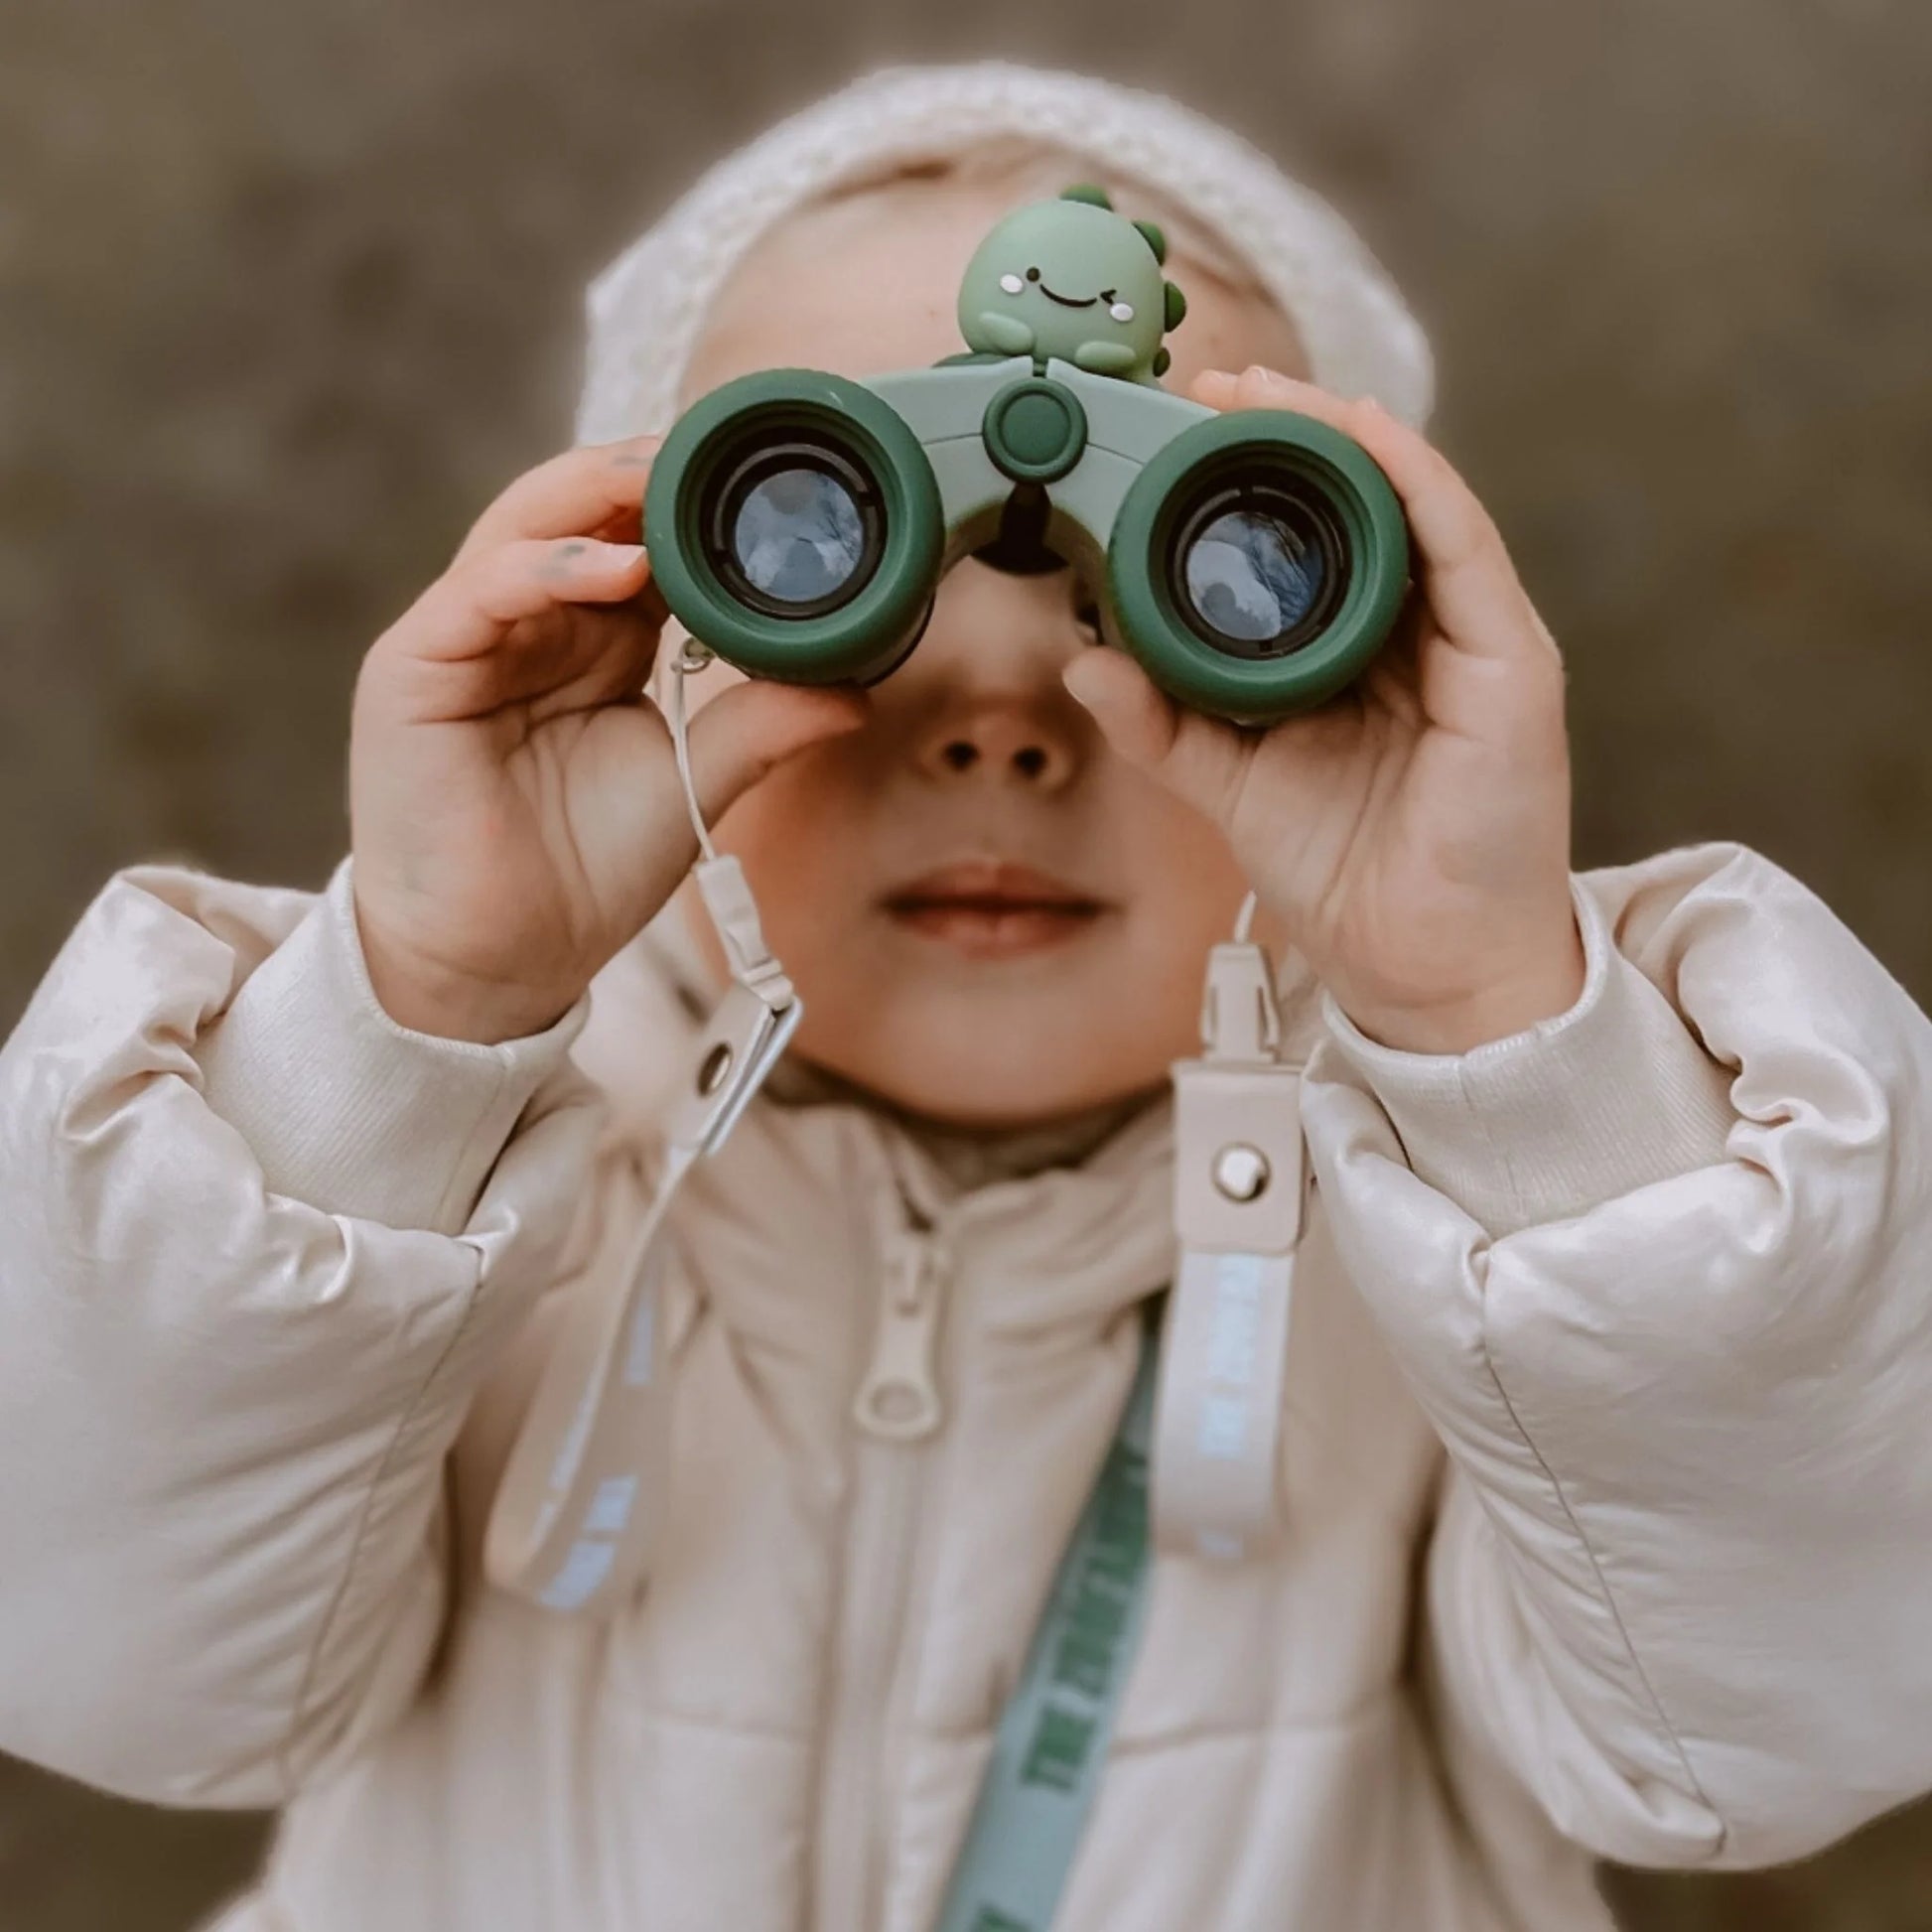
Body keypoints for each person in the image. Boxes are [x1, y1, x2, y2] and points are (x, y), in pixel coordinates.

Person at [4, 60, 1932, 1932]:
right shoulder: (441, 1204)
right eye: (827, 562)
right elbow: (115, 1677)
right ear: (633, 620)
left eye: (1172, 591)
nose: (1001, 724)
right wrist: (415, 1013)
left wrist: (1507, 1048)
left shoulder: (1482, 1276)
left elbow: (1767, 1742)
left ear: (1363, 645)